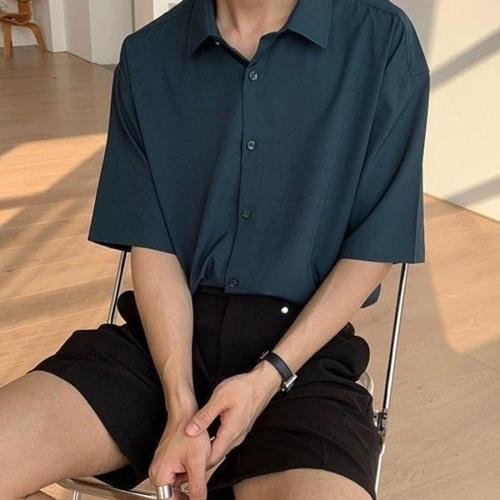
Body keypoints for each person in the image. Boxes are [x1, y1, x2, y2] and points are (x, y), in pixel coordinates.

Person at [0, 0, 430, 499]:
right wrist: (180, 403)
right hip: (163, 345)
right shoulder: (148, 55)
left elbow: (375, 244)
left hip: (302, 361)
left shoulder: (381, 40)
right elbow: (154, 246)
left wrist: (268, 378)